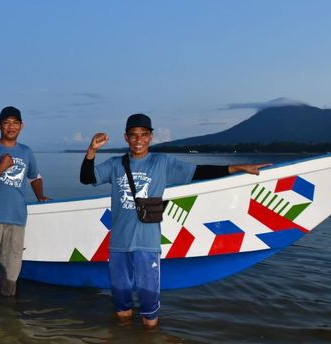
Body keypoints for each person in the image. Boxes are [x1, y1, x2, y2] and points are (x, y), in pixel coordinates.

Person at [80, 113, 270, 328]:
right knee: (121, 305)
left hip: (147, 244)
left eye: (144, 135)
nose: (138, 140)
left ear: (151, 137)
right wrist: (92, 150)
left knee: (149, 309)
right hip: (118, 245)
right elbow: (87, 178)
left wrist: (237, 168)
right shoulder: (115, 164)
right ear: (126, 138)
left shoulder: (162, 162)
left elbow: (199, 171)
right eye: (133, 135)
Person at [0, 106, 50, 304]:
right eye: (7, 123)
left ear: (21, 126)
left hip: (17, 220)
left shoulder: (27, 152)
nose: (11, 127)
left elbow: (34, 177)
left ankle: (6, 316)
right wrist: (2, 167)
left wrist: (40, 197)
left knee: (11, 274)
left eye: (15, 123)